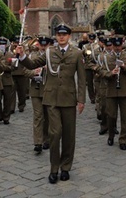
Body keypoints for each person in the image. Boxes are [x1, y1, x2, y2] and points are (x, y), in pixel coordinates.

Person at [17, 23, 86, 184]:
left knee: (69, 135)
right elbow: (33, 64)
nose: (61, 37)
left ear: (68, 36)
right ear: (55, 36)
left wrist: (81, 100)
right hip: (51, 98)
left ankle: (66, 167)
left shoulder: (77, 53)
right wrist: (21, 56)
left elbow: (82, 80)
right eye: (58, 34)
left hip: (69, 99)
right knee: (54, 134)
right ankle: (54, 168)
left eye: (64, 34)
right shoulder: (49, 52)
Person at [101, 36, 126, 150]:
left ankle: (123, 139)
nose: (117, 48)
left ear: (122, 45)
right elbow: (102, 71)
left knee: (125, 117)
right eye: (115, 46)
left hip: (124, 90)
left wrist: (124, 66)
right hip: (111, 90)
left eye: (119, 46)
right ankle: (111, 135)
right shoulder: (106, 57)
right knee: (111, 116)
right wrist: (110, 73)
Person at [23, 36, 50, 154]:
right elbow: (25, 70)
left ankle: (47, 139)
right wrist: (34, 72)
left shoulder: (53, 56)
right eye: (41, 44)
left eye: (45, 45)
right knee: (38, 116)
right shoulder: (32, 56)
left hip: (49, 89)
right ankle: (38, 142)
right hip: (35, 89)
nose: (43, 47)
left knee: (48, 116)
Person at [0, 36, 15, 125]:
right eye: (0, 44)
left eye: (3, 44)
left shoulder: (10, 55)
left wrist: (3, 67)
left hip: (7, 80)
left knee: (7, 101)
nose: (2, 45)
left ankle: (6, 117)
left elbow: (13, 67)